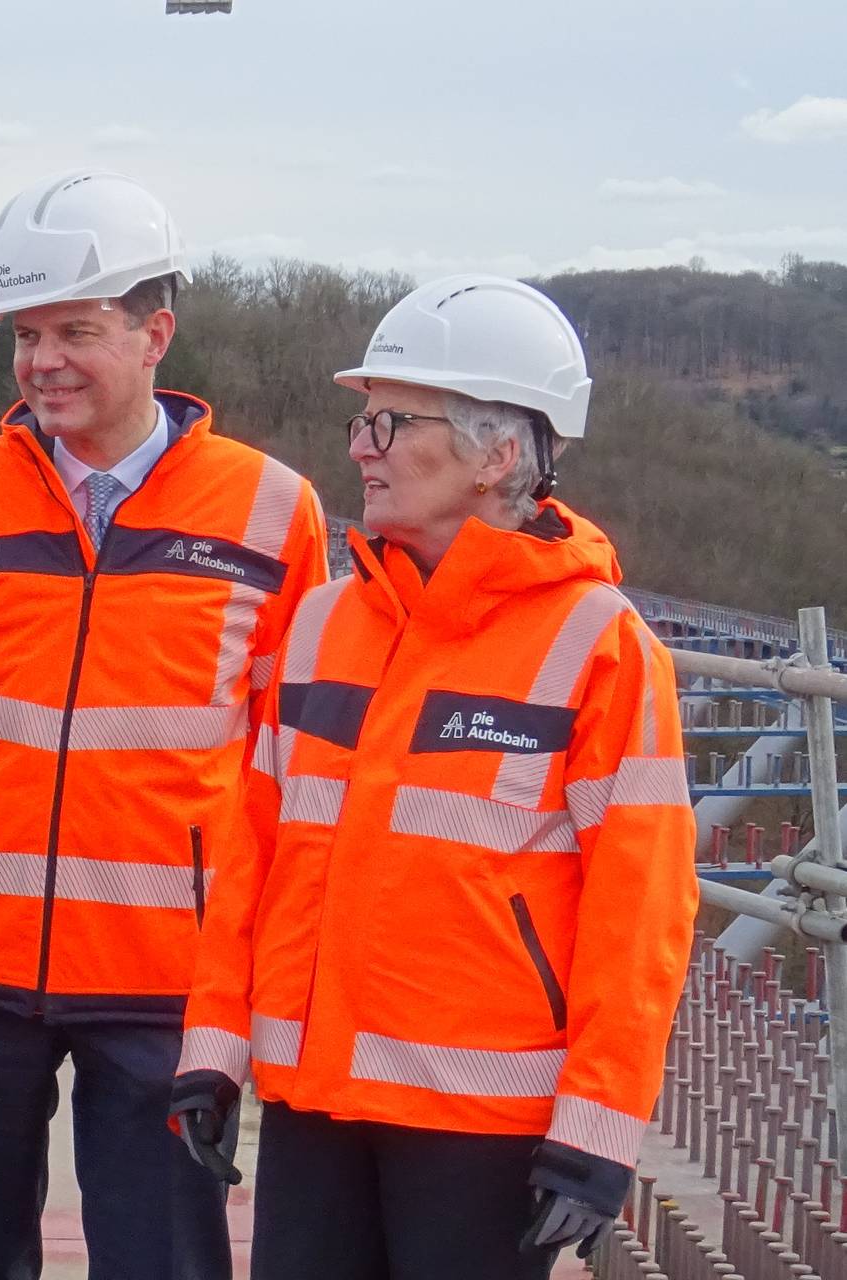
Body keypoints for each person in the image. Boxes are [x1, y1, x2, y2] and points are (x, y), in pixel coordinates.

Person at [174, 275, 696, 1279]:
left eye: (389, 422)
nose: (359, 447)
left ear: (499, 452)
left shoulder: (600, 645)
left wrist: (599, 1127)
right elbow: (254, 855)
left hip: (483, 1126)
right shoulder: (327, 621)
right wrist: (214, 1045)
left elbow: (643, 910)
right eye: (363, 420)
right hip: (314, 1101)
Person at [0, 167, 329, 1280]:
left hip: (169, 973)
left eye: (75, 329)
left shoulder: (273, 512)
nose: (43, 362)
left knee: (164, 1260)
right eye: (26, 336)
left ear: (155, 333)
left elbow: (289, 750)